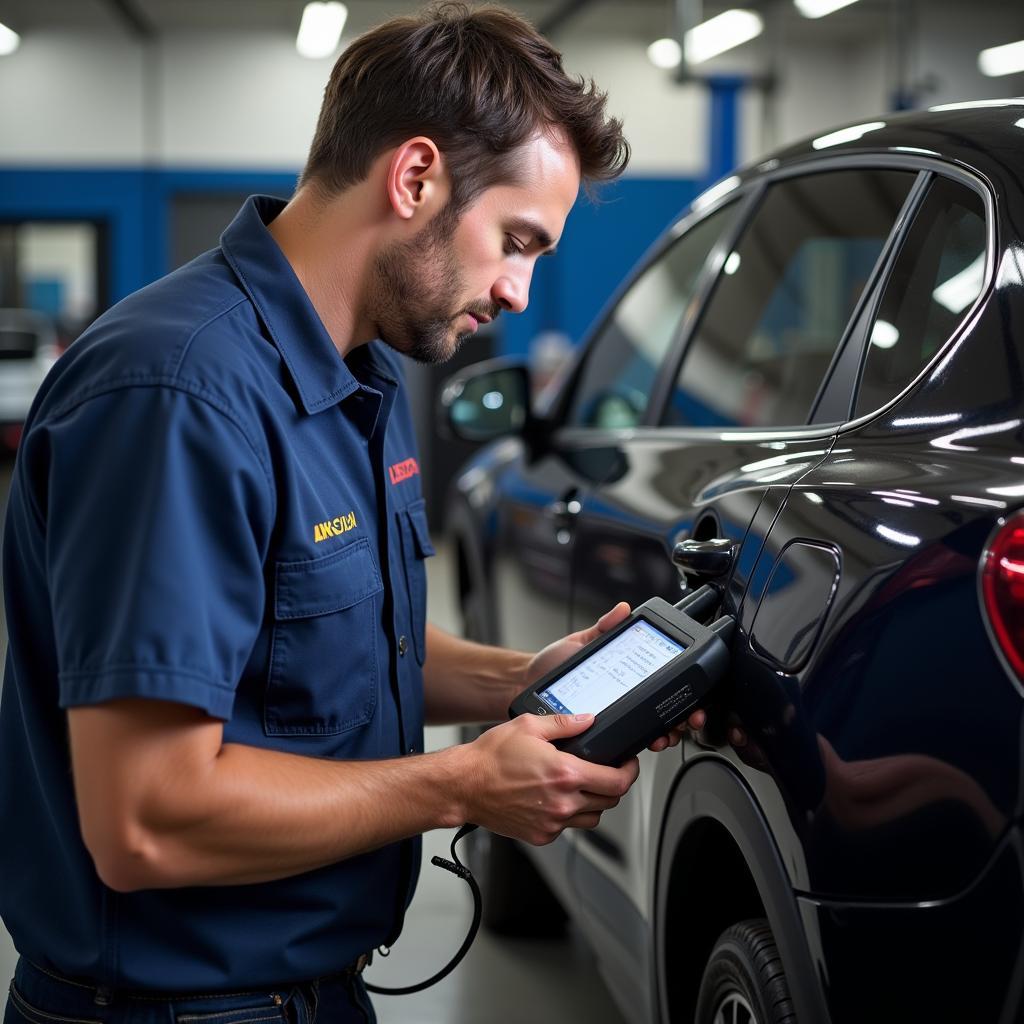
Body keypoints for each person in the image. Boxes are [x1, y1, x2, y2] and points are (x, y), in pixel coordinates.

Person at [0, 5, 700, 1023]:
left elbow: (332, 652)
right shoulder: (179, 394)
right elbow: (145, 820)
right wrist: (459, 784)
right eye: (515, 240)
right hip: (169, 1006)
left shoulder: (359, 375)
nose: (517, 291)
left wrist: (525, 678)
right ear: (414, 178)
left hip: (307, 993)